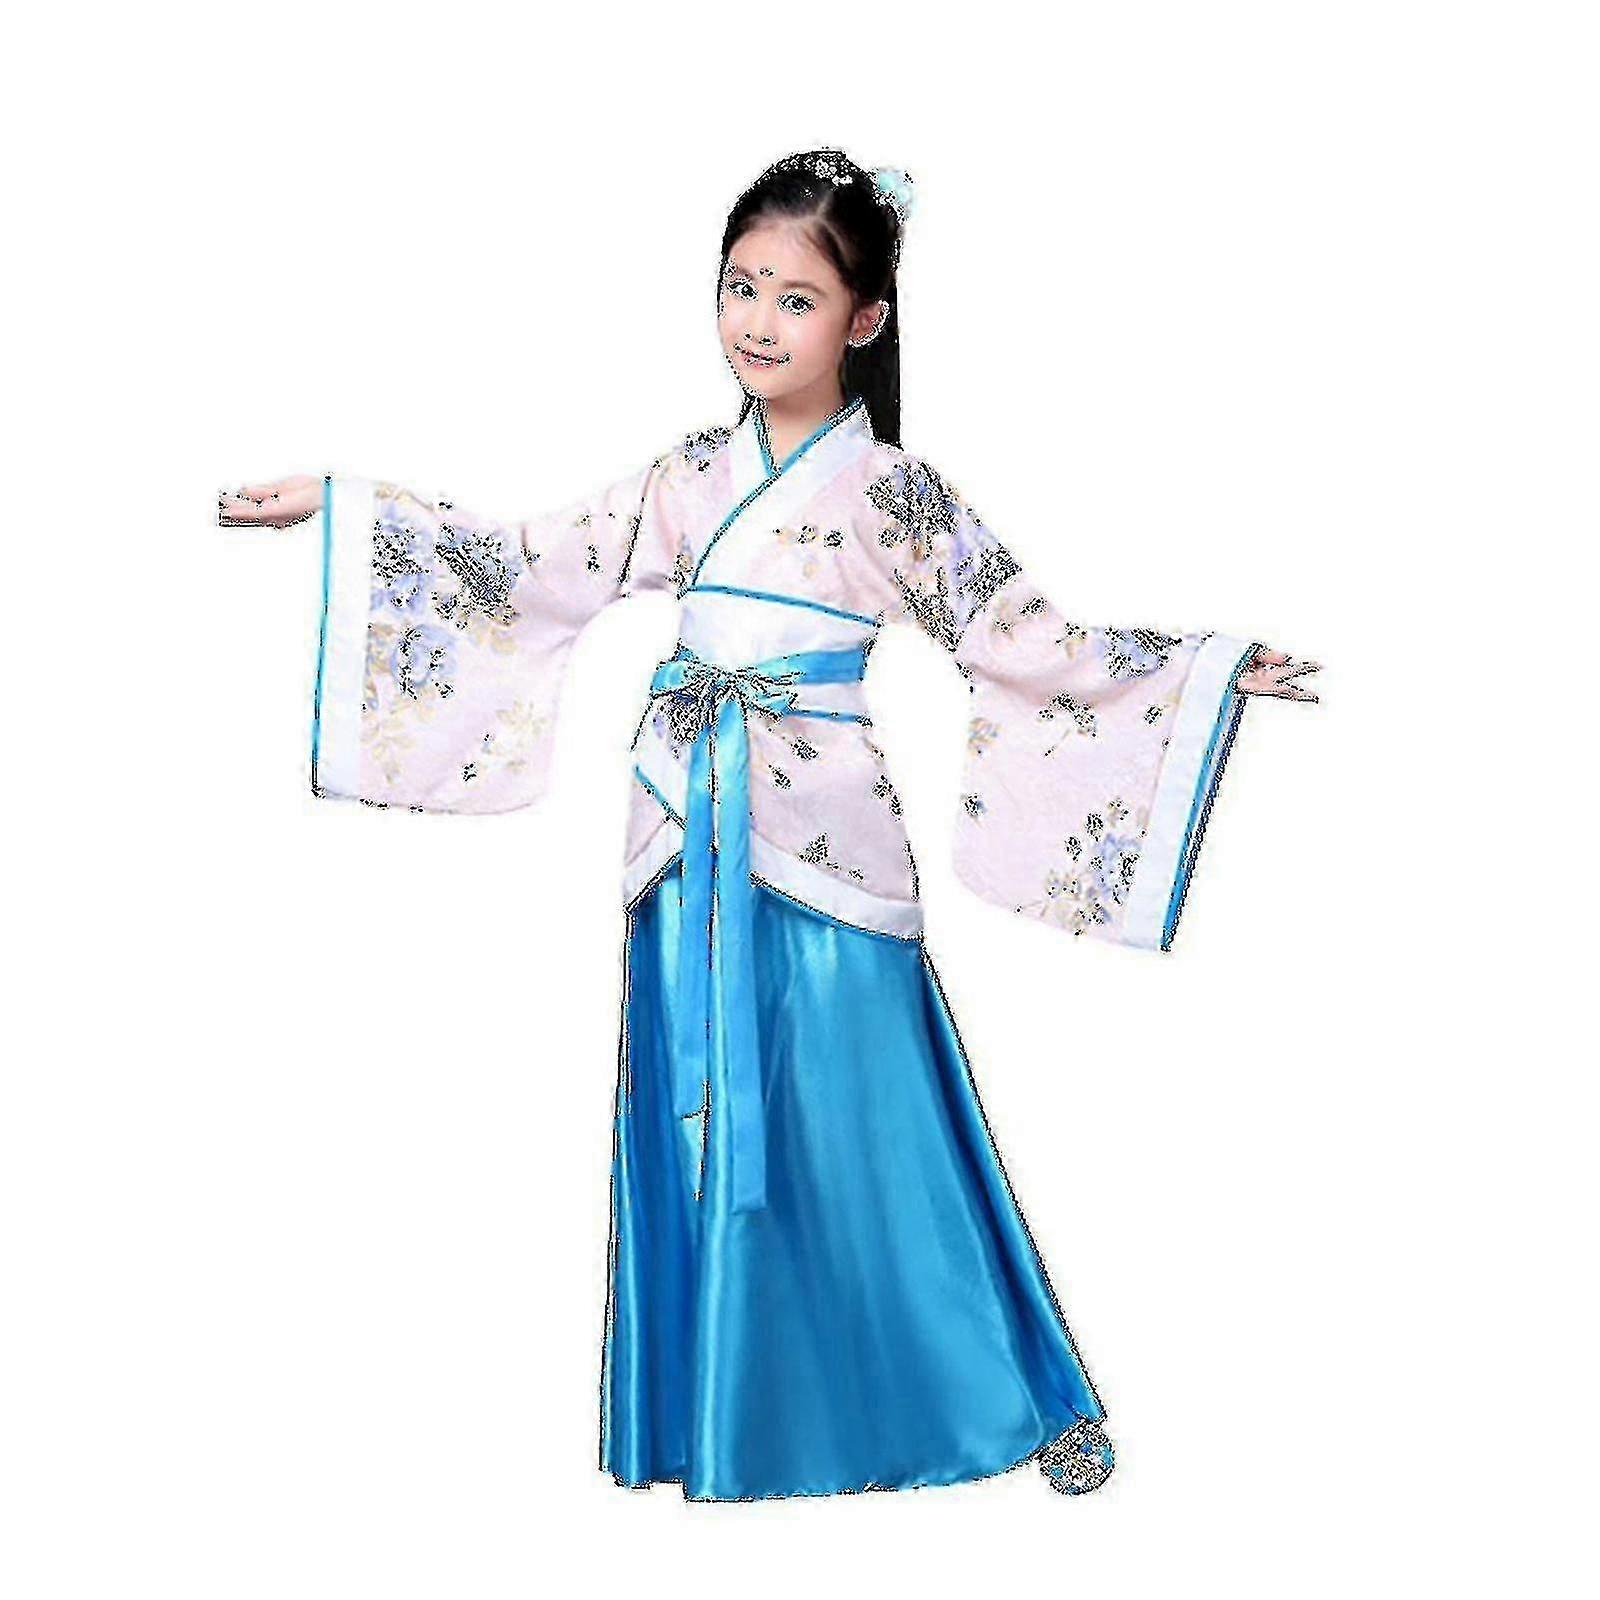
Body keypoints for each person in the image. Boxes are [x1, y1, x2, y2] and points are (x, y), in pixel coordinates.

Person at [219, 147, 1320, 1503]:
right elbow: (526, 567)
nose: (757, 321)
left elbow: (1034, 645)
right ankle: (728, 1411)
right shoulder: (687, 477)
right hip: (682, 822)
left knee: (881, 1122)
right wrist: (346, 507)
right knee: (695, 1104)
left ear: (865, 320)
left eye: (796, 299)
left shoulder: (895, 495)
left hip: (824, 832)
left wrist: (1208, 672)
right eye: (739, 287)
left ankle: (1011, 1394)